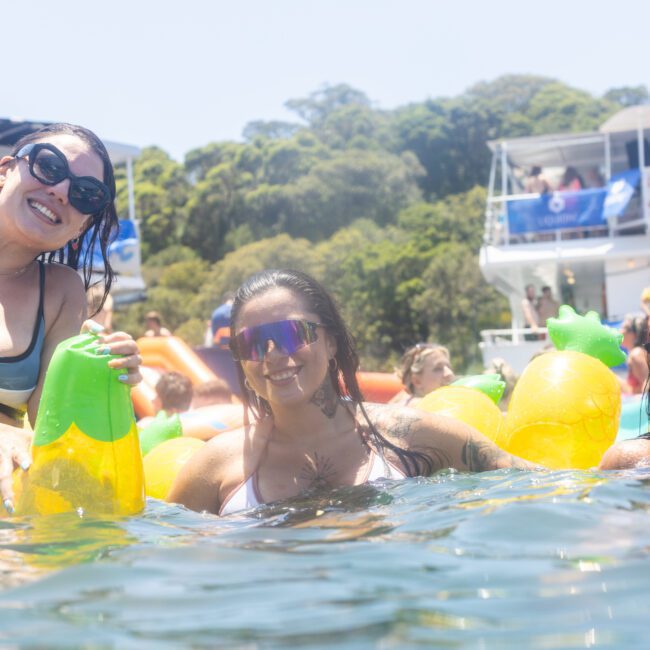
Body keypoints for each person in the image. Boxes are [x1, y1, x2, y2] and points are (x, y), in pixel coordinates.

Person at [168, 269, 536, 516]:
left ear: (330, 342)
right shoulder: (214, 467)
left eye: (291, 334)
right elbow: (156, 562)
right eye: (250, 343)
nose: (272, 355)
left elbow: (539, 484)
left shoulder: (410, 436)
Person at [0, 123, 142, 511]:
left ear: (80, 226)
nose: (61, 191)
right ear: (5, 170)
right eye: (49, 166)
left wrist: (105, 376)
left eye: (85, 194)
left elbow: (51, 420)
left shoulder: (61, 291)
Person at [138, 371, 193, 455]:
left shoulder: (147, 424)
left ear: (161, 401)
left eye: (157, 396)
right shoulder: (196, 426)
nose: (153, 400)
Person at [389, 343, 455, 407]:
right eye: (438, 368)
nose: (449, 373)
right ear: (417, 381)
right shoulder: (424, 407)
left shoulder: (401, 401)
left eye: (449, 367)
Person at [618, 315, 649, 395]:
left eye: (624, 328)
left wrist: (613, 378)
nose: (619, 331)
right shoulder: (636, 353)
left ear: (634, 334)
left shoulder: (636, 354)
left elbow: (647, 387)